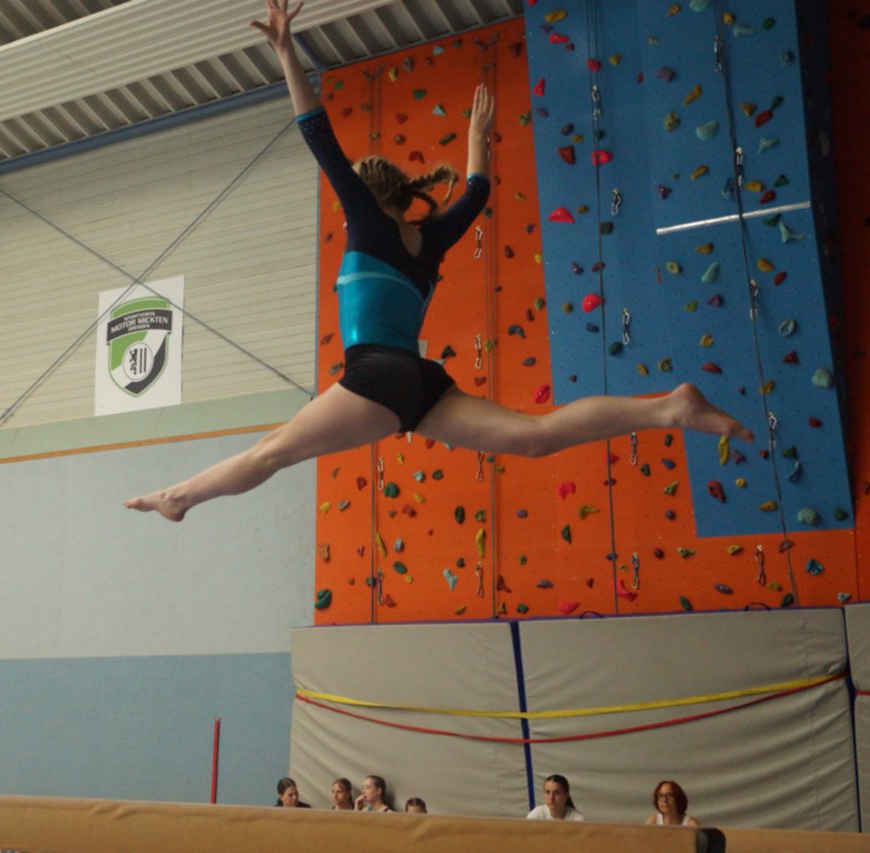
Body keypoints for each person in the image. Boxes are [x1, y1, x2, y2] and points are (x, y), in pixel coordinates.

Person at [125, 0, 753, 523]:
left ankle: (179, 497)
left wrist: (287, 52)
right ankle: (668, 408)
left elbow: (318, 134)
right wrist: (477, 140)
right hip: (418, 383)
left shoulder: (367, 222)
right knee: (534, 436)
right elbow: (474, 193)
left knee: (272, 452)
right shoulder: (429, 241)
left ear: (367, 196)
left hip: (375, 376)